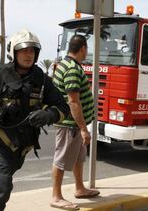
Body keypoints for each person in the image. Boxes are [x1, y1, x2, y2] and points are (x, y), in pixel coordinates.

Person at [0, 30, 69, 211]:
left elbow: (63, 108)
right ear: (13, 52)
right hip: (1, 140)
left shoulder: (43, 80)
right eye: (23, 50)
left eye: (32, 51)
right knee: (1, 185)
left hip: (25, 144)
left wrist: (49, 115)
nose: (28, 54)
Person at [51, 34, 99, 210]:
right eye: (87, 50)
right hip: (70, 125)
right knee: (61, 159)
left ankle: (80, 188)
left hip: (75, 125)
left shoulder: (67, 64)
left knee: (79, 157)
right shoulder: (72, 68)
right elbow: (73, 101)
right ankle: (56, 196)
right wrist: (83, 129)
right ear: (83, 49)